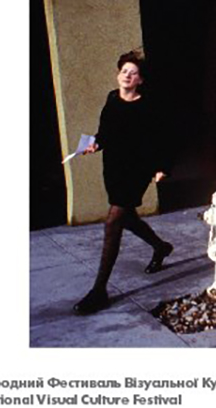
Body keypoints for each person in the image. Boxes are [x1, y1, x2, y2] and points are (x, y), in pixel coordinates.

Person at [73, 51, 175, 315]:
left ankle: (99, 291)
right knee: (126, 218)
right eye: (124, 71)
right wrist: (95, 145)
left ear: (140, 80)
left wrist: (163, 167)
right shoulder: (112, 98)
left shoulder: (148, 105)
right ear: (118, 75)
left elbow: (163, 136)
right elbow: (105, 133)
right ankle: (161, 247)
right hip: (114, 168)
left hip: (137, 170)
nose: (128, 76)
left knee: (113, 222)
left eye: (133, 73)